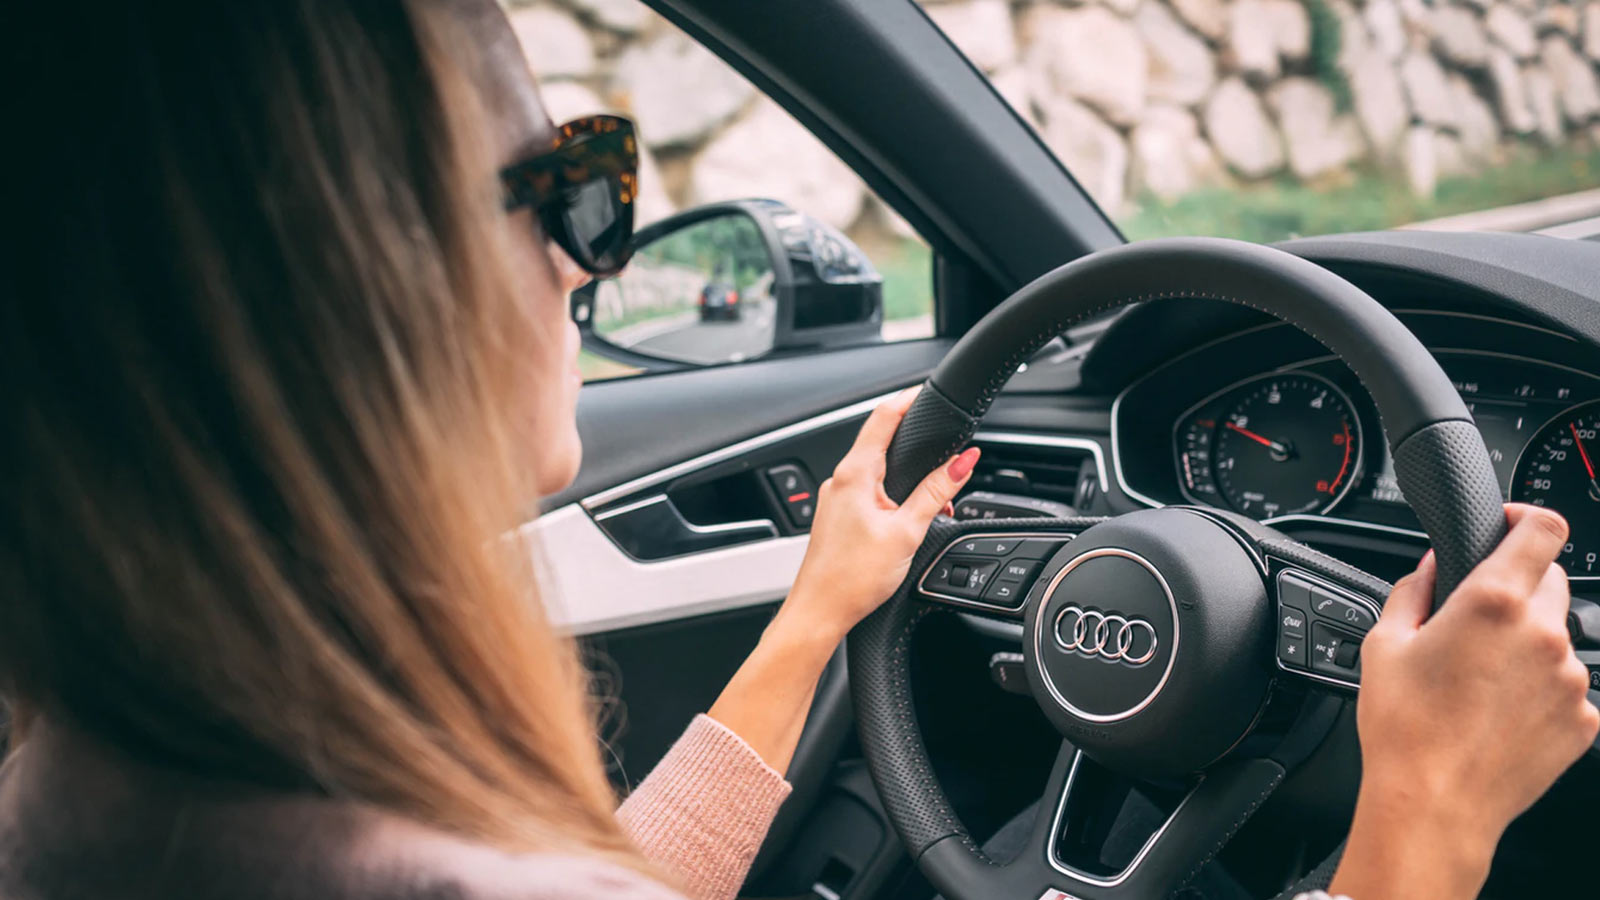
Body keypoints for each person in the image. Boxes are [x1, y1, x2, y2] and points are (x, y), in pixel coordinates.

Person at [0, 3, 1592, 900]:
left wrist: (816, 618)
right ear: (358, 277)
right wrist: (1428, 811)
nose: (588, 260)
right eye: (567, 188)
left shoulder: (77, 795)